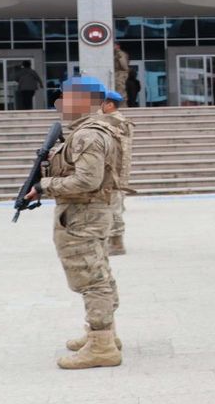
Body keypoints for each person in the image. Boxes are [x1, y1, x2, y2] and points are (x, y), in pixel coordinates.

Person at [22, 76, 125, 370]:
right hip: (87, 213)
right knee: (98, 272)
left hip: (83, 215)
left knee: (92, 279)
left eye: (64, 98)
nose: (59, 103)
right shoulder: (89, 130)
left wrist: (45, 186)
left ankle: (102, 345)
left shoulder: (88, 134)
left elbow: (87, 180)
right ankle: (102, 334)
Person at [99, 90, 134, 257]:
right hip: (115, 171)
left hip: (112, 171)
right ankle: (110, 240)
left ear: (110, 104)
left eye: (102, 103)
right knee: (113, 205)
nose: (99, 106)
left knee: (113, 206)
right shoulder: (121, 121)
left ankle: (117, 243)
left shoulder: (113, 122)